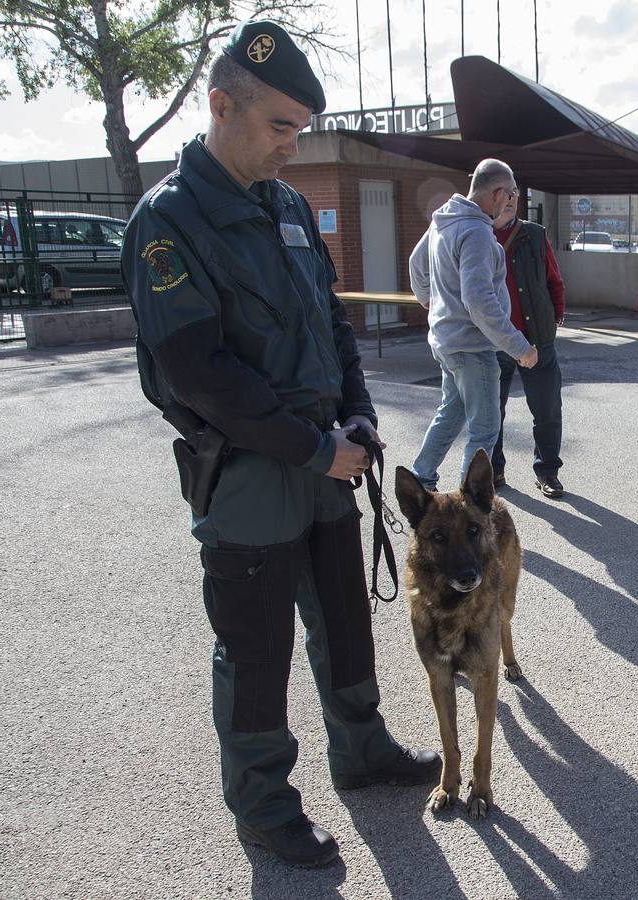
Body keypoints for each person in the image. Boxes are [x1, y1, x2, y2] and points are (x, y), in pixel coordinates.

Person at [121, 21, 440, 867]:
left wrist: (361, 416)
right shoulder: (169, 223)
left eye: (302, 129)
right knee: (257, 653)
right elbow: (201, 374)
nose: (293, 148)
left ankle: (363, 752)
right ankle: (264, 807)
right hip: (254, 477)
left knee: (345, 624)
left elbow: (331, 325)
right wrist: (314, 447)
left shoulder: (288, 205)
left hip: (326, 466)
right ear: (220, 104)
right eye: (280, 128)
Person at [409, 160, 538, 491]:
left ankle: (421, 481)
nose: (511, 200)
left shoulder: (444, 219)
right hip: (472, 346)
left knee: (450, 413)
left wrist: (427, 298)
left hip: (446, 341)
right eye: (510, 194)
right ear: (496, 193)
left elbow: (416, 262)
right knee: (484, 430)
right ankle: (471, 511)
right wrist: (519, 347)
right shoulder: (476, 231)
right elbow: (479, 300)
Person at [489, 199, 567, 498]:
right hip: (493, 341)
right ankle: (494, 470)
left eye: (513, 194)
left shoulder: (534, 234)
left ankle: (547, 471)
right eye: (501, 194)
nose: (509, 200)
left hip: (536, 338)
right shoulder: (474, 233)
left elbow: (553, 280)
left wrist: (555, 317)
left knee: (547, 409)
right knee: (492, 411)